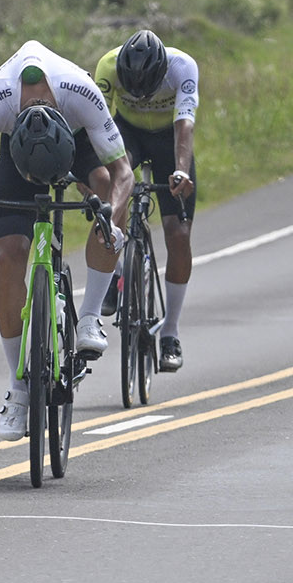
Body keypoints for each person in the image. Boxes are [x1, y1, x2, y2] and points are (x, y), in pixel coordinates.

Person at [0, 41, 132, 441]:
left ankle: (89, 317)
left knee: (103, 190)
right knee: (8, 255)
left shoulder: (80, 91)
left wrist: (112, 224)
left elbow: (123, 173)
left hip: (76, 142)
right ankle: (19, 386)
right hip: (18, 153)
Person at [92, 29, 198, 372]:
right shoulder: (107, 66)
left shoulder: (183, 68)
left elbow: (184, 125)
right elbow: (98, 125)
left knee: (179, 235)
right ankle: (117, 272)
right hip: (128, 134)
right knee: (111, 185)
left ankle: (170, 331)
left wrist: (181, 171)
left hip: (168, 139)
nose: (139, 93)